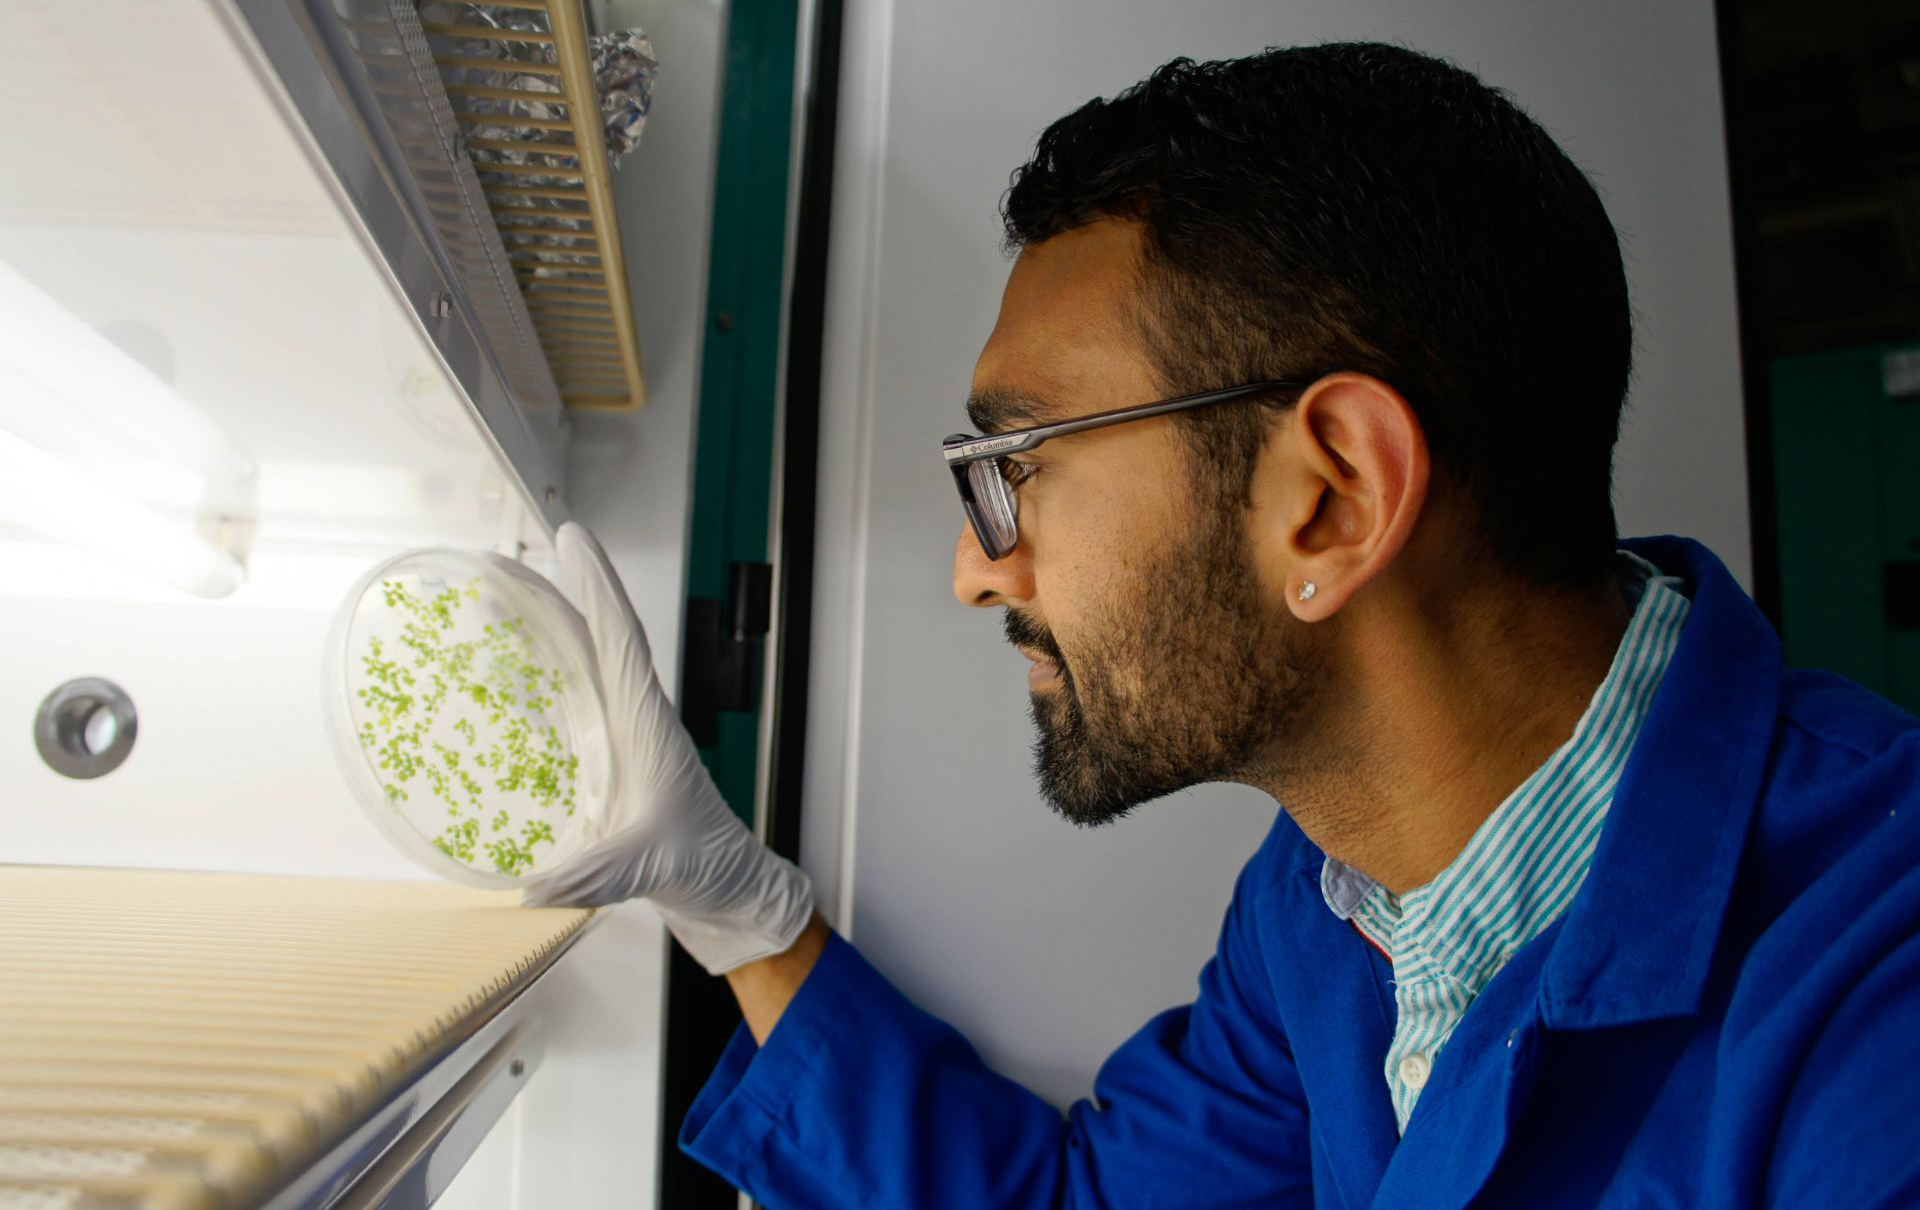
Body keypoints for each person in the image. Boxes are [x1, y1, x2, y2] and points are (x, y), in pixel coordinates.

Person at [526, 42, 1920, 1209]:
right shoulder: (1330, 900)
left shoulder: (1871, 996)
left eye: (1018, 467)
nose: (976, 568)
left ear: (1331, 495)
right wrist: (739, 912)